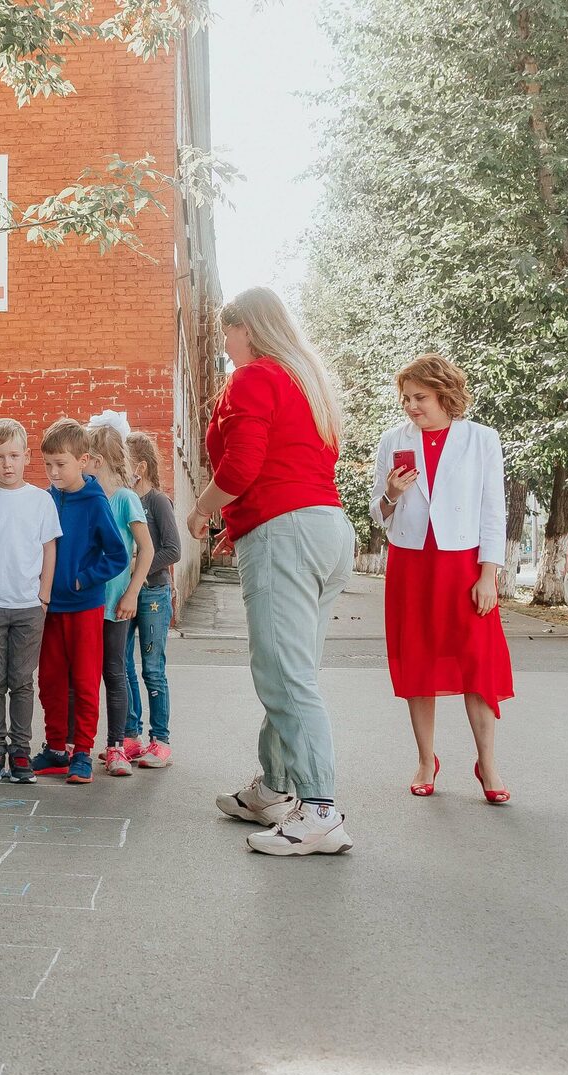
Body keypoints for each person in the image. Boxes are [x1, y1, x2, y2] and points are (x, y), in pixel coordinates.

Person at [188, 286, 356, 856]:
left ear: (248, 329)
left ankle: (320, 811)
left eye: (229, 332)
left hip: (286, 533)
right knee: (293, 668)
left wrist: (202, 510)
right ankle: (277, 788)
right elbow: (293, 465)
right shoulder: (306, 383)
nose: (227, 345)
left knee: (284, 675)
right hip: (325, 530)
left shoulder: (254, 377)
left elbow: (242, 465)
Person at [369, 354, 514, 804]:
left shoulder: (481, 440)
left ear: (445, 395)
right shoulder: (393, 440)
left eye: (420, 398)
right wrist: (392, 492)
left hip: (464, 566)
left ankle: (486, 763)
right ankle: (426, 759)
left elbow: (494, 510)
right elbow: (377, 513)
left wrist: (488, 574)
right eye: (406, 398)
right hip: (411, 564)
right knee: (419, 662)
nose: (411, 406)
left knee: (476, 662)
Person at [0, 418, 62, 784]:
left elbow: (49, 549)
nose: (7, 464)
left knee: (21, 681)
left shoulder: (40, 501)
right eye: (0, 456)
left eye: (14, 455)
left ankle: (20, 752)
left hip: (29, 607)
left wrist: (44, 596)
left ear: (26, 457)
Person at [31, 418, 130, 784]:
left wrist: (81, 578)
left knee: (86, 680)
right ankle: (57, 748)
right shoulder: (46, 498)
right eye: (48, 464)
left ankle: (83, 752)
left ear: (83, 461)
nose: (54, 472)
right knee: (51, 680)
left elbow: (117, 555)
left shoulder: (95, 501)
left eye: (61, 464)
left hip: (85, 605)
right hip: (49, 606)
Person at [85, 413, 154, 777]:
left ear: (96, 460)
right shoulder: (85, 496)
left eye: (83, 458)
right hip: (85, 602)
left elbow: (147, 550)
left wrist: (131, 594)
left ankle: (115, 747)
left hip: (115, 604)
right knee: (82, 674)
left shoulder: (126, 498)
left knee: (113, 672)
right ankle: (74, 744)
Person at [122, 430, 180, 766]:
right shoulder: (125, 499)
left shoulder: (157, 501)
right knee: (123, 665)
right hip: (126, 595)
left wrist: (137, 566)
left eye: (124, 463)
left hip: (153, 595)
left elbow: (173, 549)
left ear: (140, 467)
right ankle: (131, 736)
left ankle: (161, 741)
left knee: (152, 670)